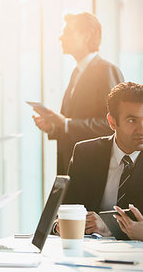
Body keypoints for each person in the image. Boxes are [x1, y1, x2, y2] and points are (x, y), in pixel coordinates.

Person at [32, 12, 124, 175]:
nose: (61, 38)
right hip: (72, 167)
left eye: (68, 32)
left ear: (87, 36)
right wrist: (54, 127)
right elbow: (72, 124)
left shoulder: (106, 71)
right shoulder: (77, 73)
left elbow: (114, 125)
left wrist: (66, 124)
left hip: (92, 170)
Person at [61, 82, 143, 236]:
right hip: (91, 252)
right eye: (132, 120)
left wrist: (110, 228)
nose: (141, 129)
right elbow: (64, 211)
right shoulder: (85, 154)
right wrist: (63, 225)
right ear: (112, 122)